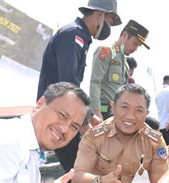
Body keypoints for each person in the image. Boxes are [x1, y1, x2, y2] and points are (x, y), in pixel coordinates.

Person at [36, 0, 121, 173]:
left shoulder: (80, 36)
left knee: (77, 173)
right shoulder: (73, 35)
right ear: (99, 15)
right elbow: (68, 82)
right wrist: (84, 121)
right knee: (78, 173)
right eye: (109, 22)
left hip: (64, 114)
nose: (108, 29)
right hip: (59, 115)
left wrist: (88, 116)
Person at [90, 20, 149, 120]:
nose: (135, 49)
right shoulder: (107, 51)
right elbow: (95, 82)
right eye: (134, 43)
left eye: (138, 46)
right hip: (103, 112)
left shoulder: (125, 63)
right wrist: (96, 112)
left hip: (118, 115)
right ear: (125, 35)